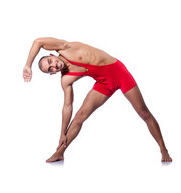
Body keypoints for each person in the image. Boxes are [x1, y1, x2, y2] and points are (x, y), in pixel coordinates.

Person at [23, 37, 172, 162]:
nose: (54, 66)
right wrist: (62, 132)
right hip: (103, 83)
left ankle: (163, 150)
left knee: (143, 112)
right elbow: (67, 106)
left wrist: (28, 65)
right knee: (80, 116)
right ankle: (60, 152)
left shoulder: (65, 48)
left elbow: (38, 42)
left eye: (50, 62)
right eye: (51, 69)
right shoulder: (66, 80)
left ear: (52, 55)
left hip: (119, 73)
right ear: (52, 74)